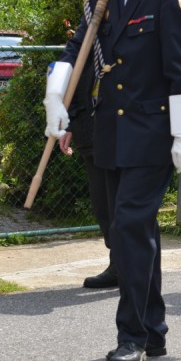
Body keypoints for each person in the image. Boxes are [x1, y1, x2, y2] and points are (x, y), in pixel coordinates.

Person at [44, 0, 181, 361]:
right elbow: (78, 51)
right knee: (131, 231)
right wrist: (57, 99)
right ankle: (155, 331)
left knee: (130, 227)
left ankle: (130, 337)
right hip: (110, 132)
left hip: (152, 135)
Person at [56, 43, 116, 289]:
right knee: (102, 205)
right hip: (90, 133)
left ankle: (132, 266)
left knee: (123, 206)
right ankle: (118, 264)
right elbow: (73, 82)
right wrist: (68, 123)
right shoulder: (88, 37)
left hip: (122, 133)